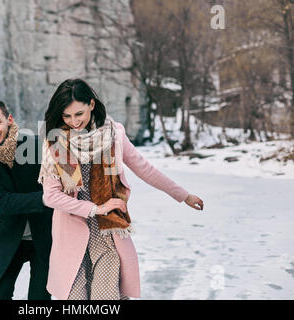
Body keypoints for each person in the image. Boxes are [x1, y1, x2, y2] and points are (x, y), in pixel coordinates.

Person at [38, 79, 204, 300]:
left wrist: (183, 195)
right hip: (71, 234)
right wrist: (95, 208)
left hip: (107, 234)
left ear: (91, 104)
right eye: (67, 116)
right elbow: (51, 196)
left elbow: (144, 168)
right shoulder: (57, 142)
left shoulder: (113, 134)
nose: (74, 121)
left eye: (79, 114)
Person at [0, 98, 53, 300]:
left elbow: (67, 179)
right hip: (8, 238)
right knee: (0, 295)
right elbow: (3, 202)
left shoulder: (36, 146)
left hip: (45, 237)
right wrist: (47, 198)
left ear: (9, 119)